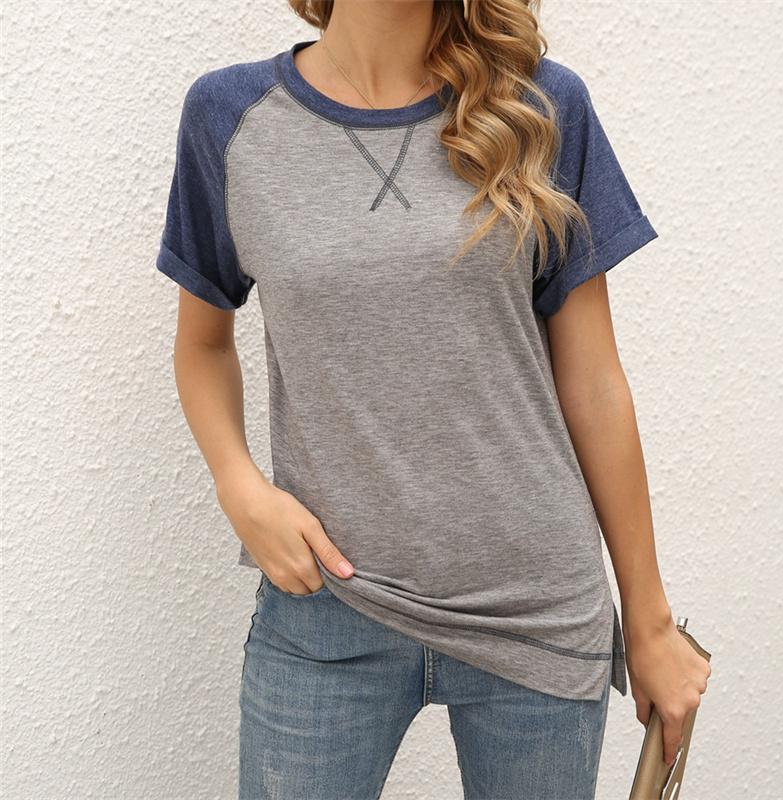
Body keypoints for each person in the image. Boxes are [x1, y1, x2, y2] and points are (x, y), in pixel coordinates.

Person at [155, 1, 712, 797]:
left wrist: (649, 620)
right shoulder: (229, 117)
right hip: (327, 603)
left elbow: (593, 380)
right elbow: (203, 345)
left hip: (535, 612)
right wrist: (237, 484)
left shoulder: (539, 106)